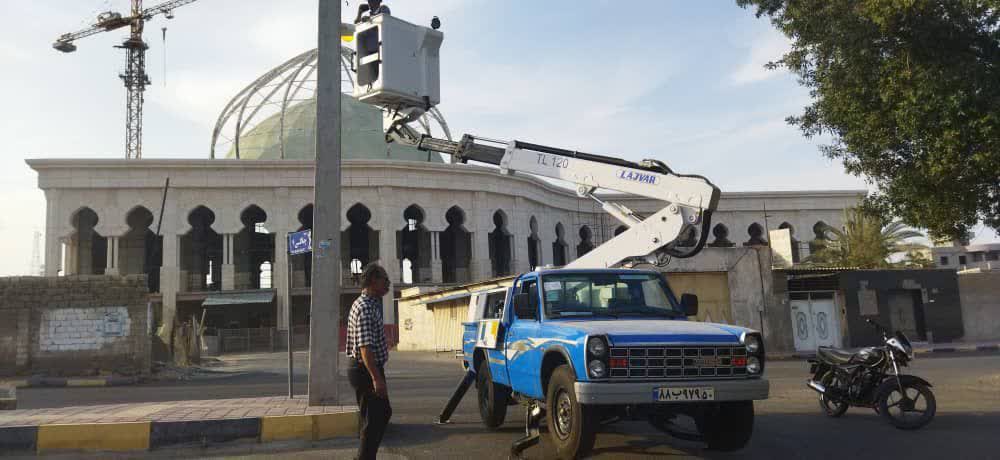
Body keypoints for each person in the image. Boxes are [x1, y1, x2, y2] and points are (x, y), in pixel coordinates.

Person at [346, 263, 392, 460]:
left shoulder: (370, 304)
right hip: (365, 370)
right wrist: (376, 378)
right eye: (385, 279)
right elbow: (365, 347)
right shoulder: (365, 307)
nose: (388, 284)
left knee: (380, 414)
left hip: (367, 368)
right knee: (375, 418)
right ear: (373, 280)